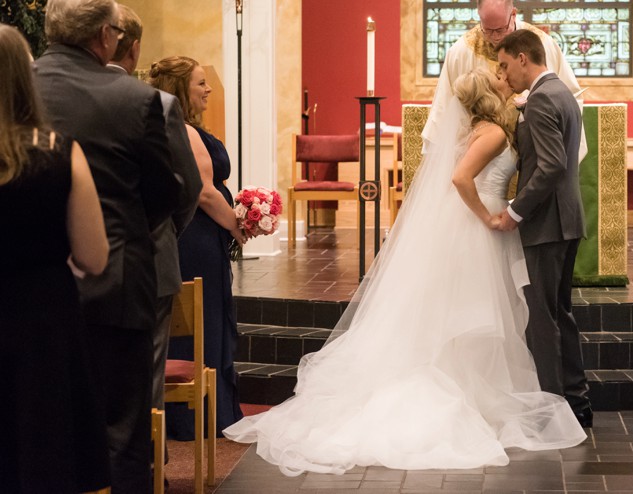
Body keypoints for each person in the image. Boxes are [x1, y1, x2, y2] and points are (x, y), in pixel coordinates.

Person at [223, 66, 585, 475]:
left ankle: (477, 391)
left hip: (472, 226)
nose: (504, 80)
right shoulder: (495, 133)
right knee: (474, 313)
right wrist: (487, 216)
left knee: (468, 311)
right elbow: (460, 178)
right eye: (498, 78)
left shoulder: (482, 129)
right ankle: (472, 393)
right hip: (477, 228)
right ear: (488, 93)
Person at [34, 0, 180, 493]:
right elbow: (166, 192)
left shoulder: (18, 90)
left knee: (40, 429)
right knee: (123, 433)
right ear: (105, 35)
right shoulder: (134, 99)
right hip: (117, 284)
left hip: (34, 288)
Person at [0, 23, 110, 493]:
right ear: (27, 78)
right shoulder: (59, 153)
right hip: (40, 323)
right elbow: (95, 257)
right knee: (41, 450)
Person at [108, 7, 203, 428]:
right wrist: (168, 230)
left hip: (75, 261)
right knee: (147, 371)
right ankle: (147, 465)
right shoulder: (155, 105)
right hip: (150, 255)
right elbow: (186, 187)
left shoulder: (44, 95)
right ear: (134, 48)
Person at [492, 29, 592, 428]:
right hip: (566, 220)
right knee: (559, 313)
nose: (504, 75)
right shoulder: (562, 92)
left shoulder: (541, 99)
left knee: (543, 318)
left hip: (546, 223)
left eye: (504, 65)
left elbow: (550, 166)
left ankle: (555, 408)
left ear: (522, 57)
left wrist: (515, 211)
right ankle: (577, 400)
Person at [149, 56, 246, 438]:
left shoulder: (184, 127)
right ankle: (197, 417)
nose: (208, 89)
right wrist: (239, 228)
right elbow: (204, 192)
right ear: (179, 89)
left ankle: (203, 413)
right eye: (200, 83)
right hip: (198, 237)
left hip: (202, 235)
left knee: (206, 318)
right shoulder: (185, 132)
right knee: (201, 320)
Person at [422, 0, 584, 162]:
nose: (495, 37)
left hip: (535, 154)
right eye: (488, 30)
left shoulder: (541, 45)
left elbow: (567, 97)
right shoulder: (462, 51)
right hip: (480, 158)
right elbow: (444, 107)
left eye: (500, 29)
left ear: (513, 14)